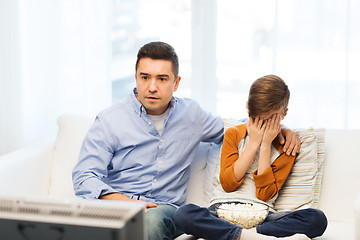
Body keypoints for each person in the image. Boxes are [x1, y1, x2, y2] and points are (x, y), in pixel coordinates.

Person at [72, 42, 301, 240]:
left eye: (162, 78)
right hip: (116, 206)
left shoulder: (192, 114)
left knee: (150, 223)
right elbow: (84, 176)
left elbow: (240, 127)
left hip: (164, 210)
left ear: (177, 82)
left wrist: (281, 128)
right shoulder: (109, 120)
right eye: (145, 77)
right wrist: (123, 200)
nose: (152, 87)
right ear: (136, 78)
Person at [174, 75, 327, 240]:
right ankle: (245, 236)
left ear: (284, 114)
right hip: (221, 210)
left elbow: (265, 195)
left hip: (262, 214)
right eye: (256, 119)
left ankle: (247, 235)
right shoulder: (233, 134)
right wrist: (253, 144)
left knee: (317, 219)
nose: (262, 127)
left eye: (270, 121)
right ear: (247, 108)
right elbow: (228, 184)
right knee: (183, 214)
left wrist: (266, 145)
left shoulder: (287, 146)